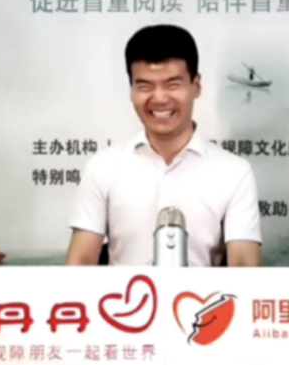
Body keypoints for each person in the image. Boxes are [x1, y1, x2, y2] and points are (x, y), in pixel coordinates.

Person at [65, 24, 263, 266]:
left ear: (196, 86)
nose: (159, 98)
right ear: (131, 90)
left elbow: (244, 268)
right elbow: (80, 262)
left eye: (172, 84)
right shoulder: (102, 167)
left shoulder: (234, 173)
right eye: (145, 86)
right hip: (125, 292)